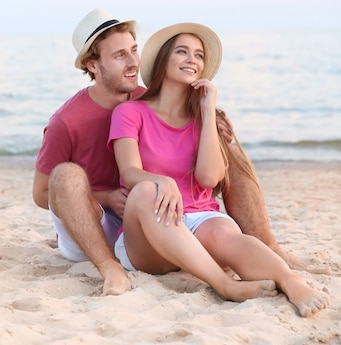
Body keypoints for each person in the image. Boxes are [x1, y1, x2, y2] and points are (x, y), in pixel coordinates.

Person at [32, 8, 322, 297]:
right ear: (92, 65)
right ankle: (109, 267)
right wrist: (106, 196)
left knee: (228, 150)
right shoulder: (66, 121)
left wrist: (211, 120)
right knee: (67, 175)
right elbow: (43, 193)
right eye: (120, 55)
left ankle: (268, 247)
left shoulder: (144, 98)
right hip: (92, 221)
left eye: (134, 50)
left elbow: (193, 151)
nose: (134, 62)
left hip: (148, 215)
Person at [108, 22, 329, 316]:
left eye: (199, 55)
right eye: (182, 52)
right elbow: (129, 173)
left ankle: (292, 281)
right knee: (146, 190)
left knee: (229, 235)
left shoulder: (204, 119)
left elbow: (210, 178)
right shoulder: (130, 112)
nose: (192, 60)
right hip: (151, 236)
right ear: (163, 60)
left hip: (201, 225)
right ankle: (225, 285)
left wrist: (208, 111)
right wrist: (163, 181)